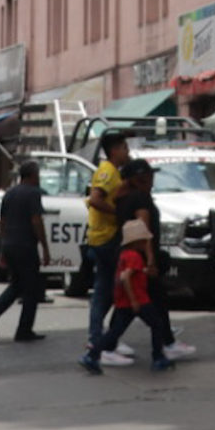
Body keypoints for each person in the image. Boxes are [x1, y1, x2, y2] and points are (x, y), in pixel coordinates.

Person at [89, 160, 179, 371]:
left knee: (130, 315)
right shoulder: (139, 199)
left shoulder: (123, 199)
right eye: (148, 176)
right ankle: (159, 353)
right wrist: (150, 259)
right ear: (140, 179)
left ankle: (97, 352)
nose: (152, 180)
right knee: (149, 315)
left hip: (131, 261)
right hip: (138, 265)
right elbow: (143, 228)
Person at [0, 160, 50, 342]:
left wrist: (4, 246)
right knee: (32, 289)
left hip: (10, 244)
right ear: (33, 176)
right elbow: (36, 221)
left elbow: (2, 222)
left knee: (18, 284)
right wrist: (45, 246)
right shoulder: (33, 194)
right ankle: (24, 330)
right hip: (25, 246)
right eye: (38, 174)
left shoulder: (9, 194)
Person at [81, 130, 130, 350]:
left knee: (108, 289)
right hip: (106, 239)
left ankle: (101, 336)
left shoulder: (114, 172)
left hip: (105, 238)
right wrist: (117, 213)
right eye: (124, 148)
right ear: (114, 151)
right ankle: (100, 338)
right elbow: (95, 199)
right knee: (108, 290)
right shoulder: (108, 172)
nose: (127, 152)